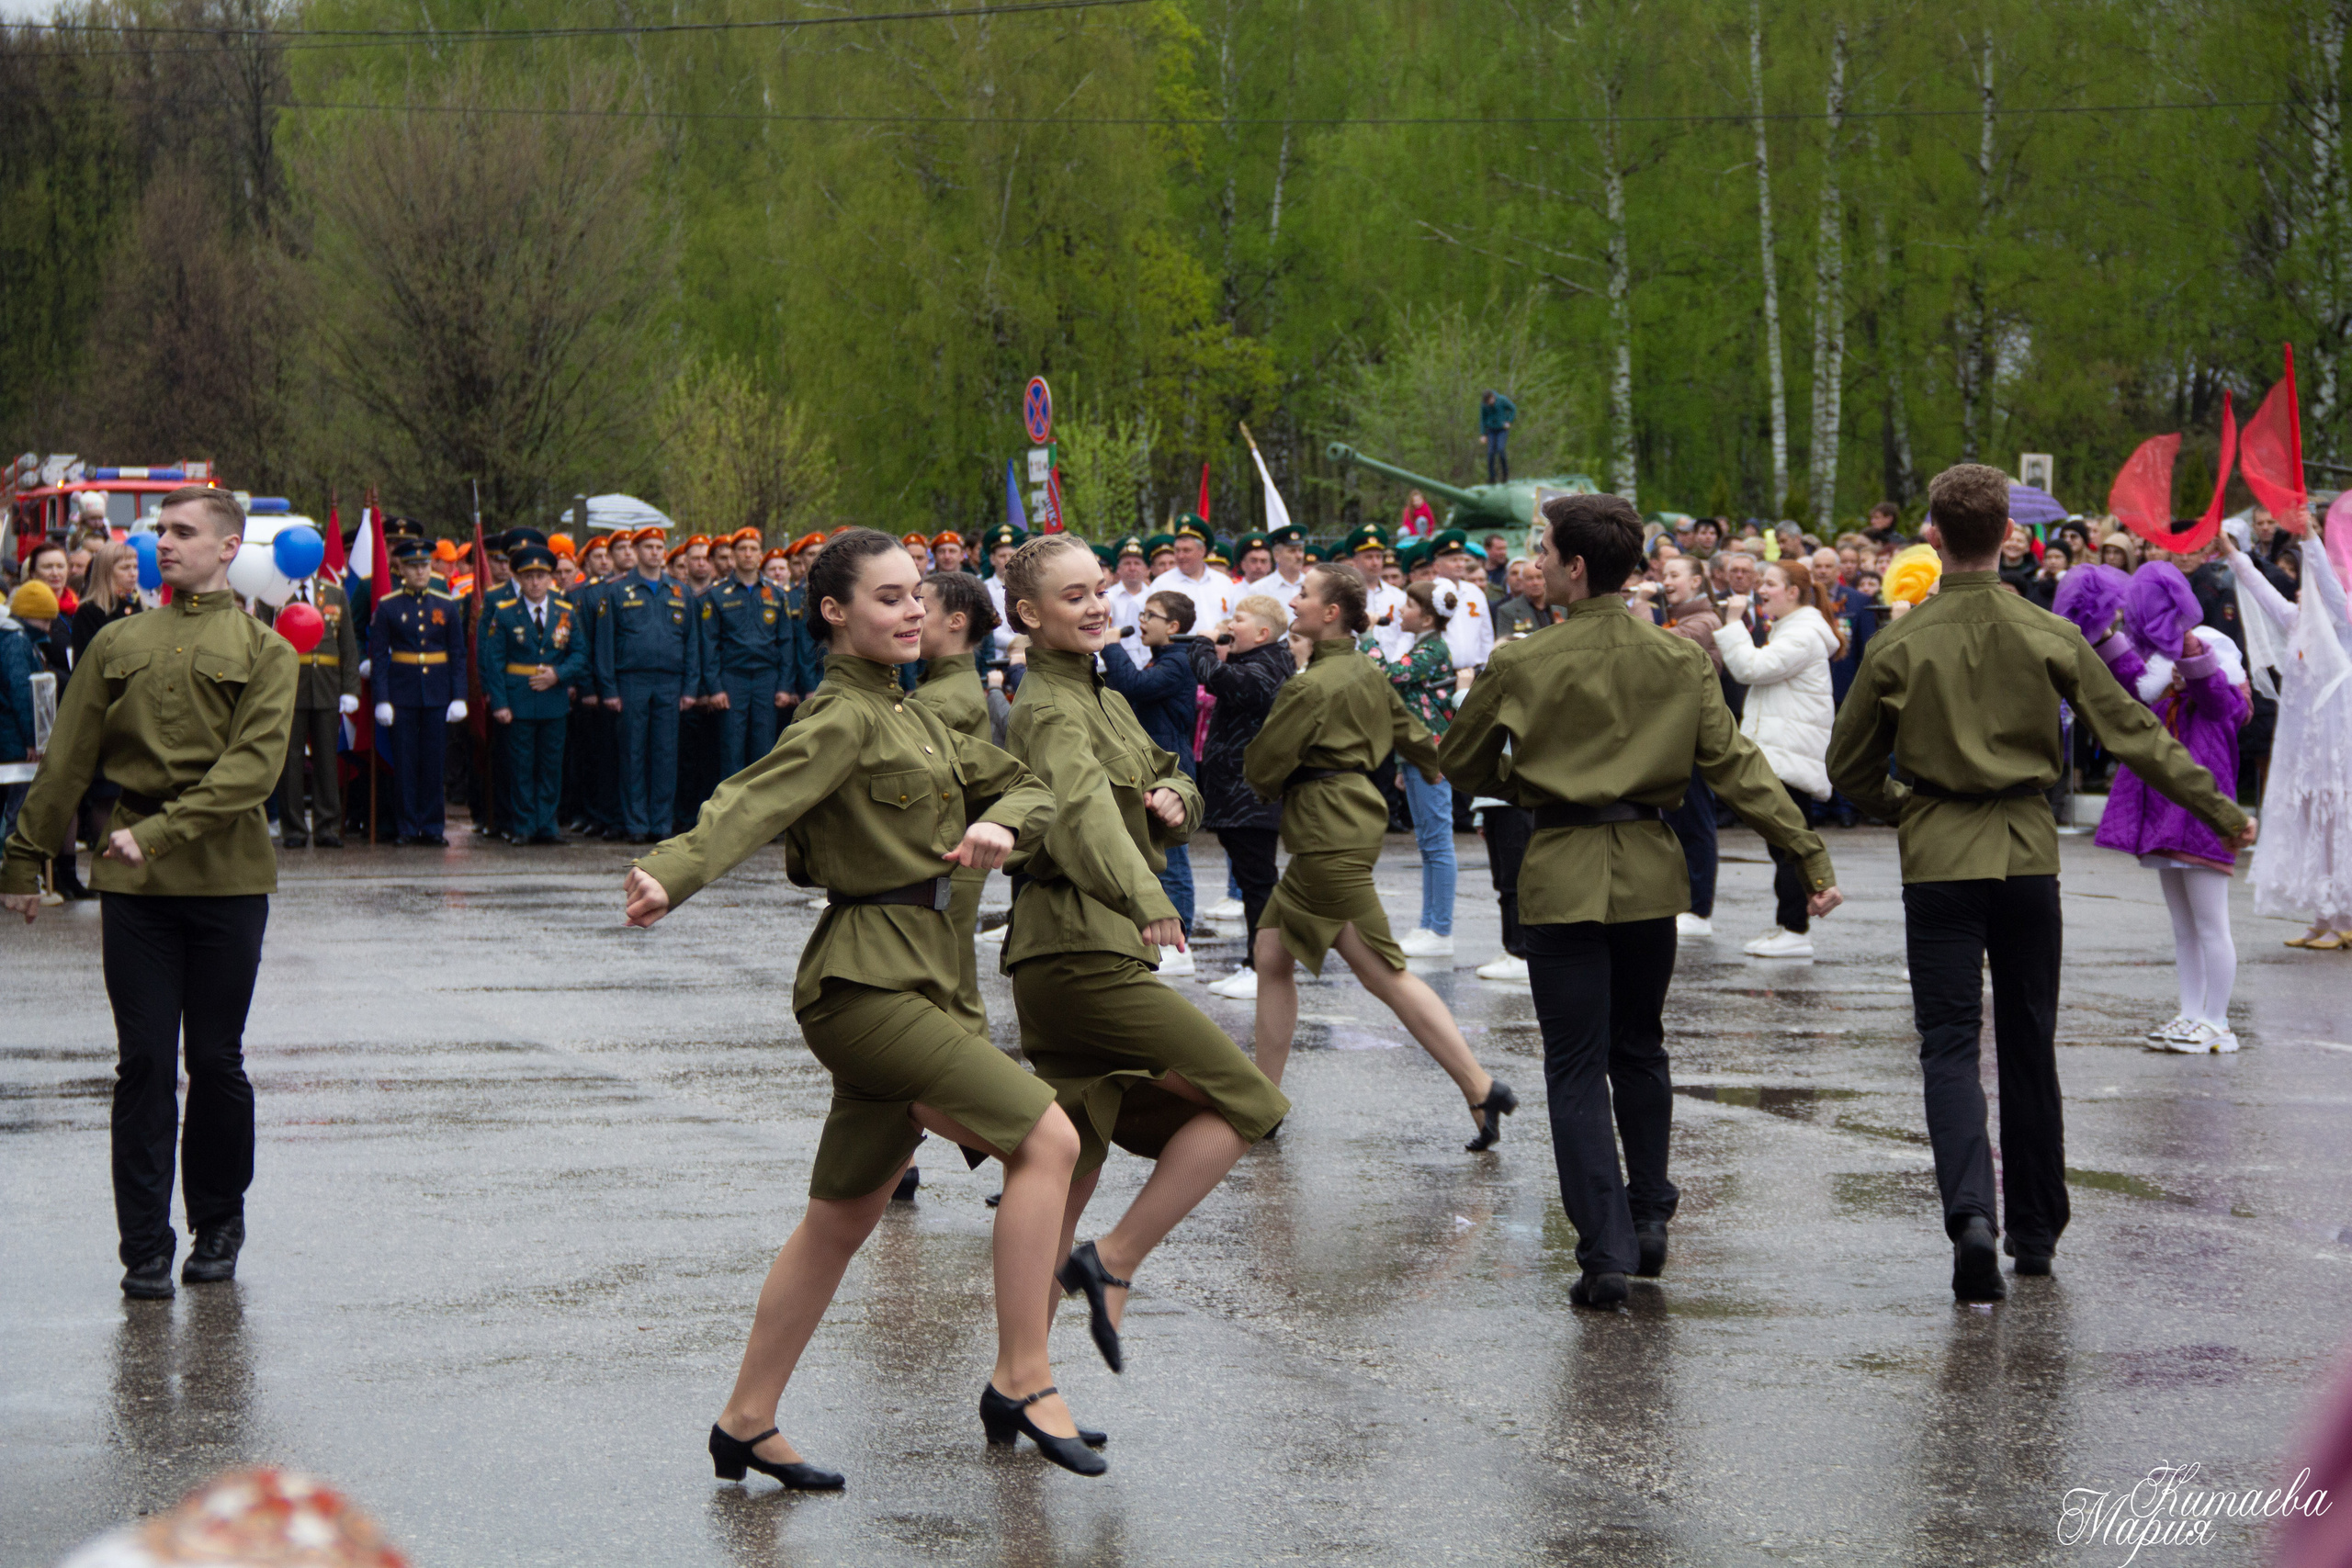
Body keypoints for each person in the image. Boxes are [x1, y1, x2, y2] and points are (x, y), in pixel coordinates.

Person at [624, 528, 1099, 1483]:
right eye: (888, 598)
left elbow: (1030, 789)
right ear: (835, 612)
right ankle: (1023, 1376)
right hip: (865, 983)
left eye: (916, 596)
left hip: (926, 977)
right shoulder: (843, 718)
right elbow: (751, 800)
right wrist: (673, 873)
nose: (912, 610)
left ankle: (746, 1420)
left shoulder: (918, 717)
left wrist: (1001, 819)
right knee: (1048, 1139)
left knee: (843, 1217)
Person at [1826, 463, 2253, 1301]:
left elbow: (1846, 764)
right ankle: (2034, 1229)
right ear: (2010, 539)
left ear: (1935, 537)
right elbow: (2133, 733)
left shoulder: (1900, 640)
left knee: (1948, 1045)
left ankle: (1969, 1216)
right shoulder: (2047, 632)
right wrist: (2219, 806)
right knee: (2027, 1041)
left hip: (1941, 855)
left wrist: (1906, 806)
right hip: (2026, 853)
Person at [1442, 492, 1841, 1307]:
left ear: (1577, 565)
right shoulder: (1679, 658)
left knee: (1577, 1064)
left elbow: (1461, 762)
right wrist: (1804, 851)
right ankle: (1651, 1213)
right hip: (1651, 874)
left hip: (1559, 870)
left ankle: (1604, 1252)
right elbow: (1737, 766)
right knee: (1641, 1047)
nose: (1539, 562)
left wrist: (1527, 781)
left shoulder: (1523, 660)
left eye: (1546, 549)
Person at [993, 534, 1289, 1386]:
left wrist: (1176, 798)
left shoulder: (1102, 690)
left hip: (1085, 948)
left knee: (1071, 1171)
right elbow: (1083, 814)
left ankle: (1020, 1383)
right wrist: (1151, 896)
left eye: (1098, 592)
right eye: (1073, 595)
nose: (1094, 605)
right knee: (1250, 1100)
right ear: (1028, 615)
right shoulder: (1048, 705)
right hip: (1080, 949)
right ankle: (1114, 1261)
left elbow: (1173, 770)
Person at [2, 486, 297, 1299]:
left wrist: (158, 831)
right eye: (158, 530)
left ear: (227, 547)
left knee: (215, 1059)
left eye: (181, 531)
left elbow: (253, 771)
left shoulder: (267, 651)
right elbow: (67, 758)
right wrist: (23, 860)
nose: (162, 543)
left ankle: (219, 1220)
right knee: (141, 1064)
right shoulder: (119, 641)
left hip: (228, 879)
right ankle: (143, 1245)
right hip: (135, 887)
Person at [1244, 563, 1520, 1148]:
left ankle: (1479, 1084)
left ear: (1331, 614)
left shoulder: (1310, 685)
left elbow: (1262, 766)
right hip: (1345, 822)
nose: (1293, 601)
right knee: (1271, 953)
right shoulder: (1365, 671)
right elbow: (1417, 736)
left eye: (1304, 595)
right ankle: (1262, 1100)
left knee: (1382, 973)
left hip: (1326, 832)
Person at [2064, 563, 2253, 1049]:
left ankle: (2219, 1021)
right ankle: (2191, 1013)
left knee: (2212, 924)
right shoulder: (2157, 686)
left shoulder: (2214, 684)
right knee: (2183, 925)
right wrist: (2100, 626)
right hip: (2165, 809)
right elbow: (2130, 677)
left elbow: (2220, 703)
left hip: (2203, 810)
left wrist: (2189, 648)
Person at [2222, 513, 2352, 947]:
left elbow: (2334, 595)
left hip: (2340, 743)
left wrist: (2311, 539)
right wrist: (2233, 554)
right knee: (2312, 821)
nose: (2302, 587)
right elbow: (2261, 592)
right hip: (2305, 744)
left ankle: (2344, 918)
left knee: (2338, 824)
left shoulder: (2345, 622)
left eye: (2310, 579)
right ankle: (2324, 914)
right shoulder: (2297, 620)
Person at [1714, 558, 1847, 958]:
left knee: (1789, 845)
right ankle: (1793, 923)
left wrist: (1734, 621)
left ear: (1794, 592)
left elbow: (1749, 667)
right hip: (1783, 753)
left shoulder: (1804, 633)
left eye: (1770, 583)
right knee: (1786, 843)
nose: (1761, 590)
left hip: (1789, 756)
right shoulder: (1794, 628)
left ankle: (1795, 929)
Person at [908, 567, 1001, 1052]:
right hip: (953, 852)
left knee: (953, 985)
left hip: (948, 856)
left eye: (922, 603)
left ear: (955, 621)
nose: (912, 612)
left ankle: (988, 1108)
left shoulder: (941, 700)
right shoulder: (942, 689)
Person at [1186, 595, 1293, 998]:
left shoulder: (1266, 666)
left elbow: (1217, 679)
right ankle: (1257, 963)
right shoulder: (1257, 661)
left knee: (1258, 884)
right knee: (1255, 882)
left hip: (1250, 796)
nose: (1231, 625)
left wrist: (1202, 644)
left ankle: (1263, 967)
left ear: (1263, 633)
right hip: (1238, 795)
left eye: (1240, 620)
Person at [1100, 588, 1202, 967]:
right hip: (1153, 772)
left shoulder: (1179, 661)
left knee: (1172, 860)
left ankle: (1182, 944)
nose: (1140, 622)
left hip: (1172, 773)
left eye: (1149, 616)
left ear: (1173, 626)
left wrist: (1111, 645)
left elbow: (1134, 687)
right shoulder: (1162, 660)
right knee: (1151, 857)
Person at [1367, 579, 1461, 958]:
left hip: (1433, 754)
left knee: (1437, 843)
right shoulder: (1422, 645)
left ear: (1425, 618)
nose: (1399, 612)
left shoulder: (1432, 648)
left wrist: (1369, 636)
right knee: (1428, 843)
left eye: (1407, 606)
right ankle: (1429, 924)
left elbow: (1386, 676)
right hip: (1417, 755)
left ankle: (1440, 929)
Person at [592, 525, 700, 844]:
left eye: (658, 547)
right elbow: (604, 646)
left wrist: (690, 688)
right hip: (631, 681)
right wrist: (609, 689)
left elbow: (692, 644)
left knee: (666, 754)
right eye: (648, 547)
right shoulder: (616, 591)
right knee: (633, 753)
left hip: (670, 681)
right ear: (636, 551)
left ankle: (661, 823)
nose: (654, 552)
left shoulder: (680, 592)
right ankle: (636, 823)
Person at [481, 545, 586, 845]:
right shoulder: (505, 613)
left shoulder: (564, 612)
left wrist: (558, 674)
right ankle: (524, 825)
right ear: (519, 579)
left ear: (550, 578)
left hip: (553, 699)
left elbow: (579, 654)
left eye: (541, 576)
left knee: (551, 766)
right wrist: (499, 703)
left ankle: (547, 825)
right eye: (528, 577)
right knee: (522, 766)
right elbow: (494, 661)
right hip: (519, 700)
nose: (535, 583)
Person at [368, 539, 469, 847]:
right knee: (406, 762)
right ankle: (408, 827)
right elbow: (380, 657)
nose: (420, 571)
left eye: (425, 565)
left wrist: (459, 696)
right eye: (413, 566)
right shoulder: (388, 606)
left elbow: (457, 654)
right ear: (400, 569)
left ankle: (433, 826)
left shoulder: (445, 604)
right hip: (403, 693)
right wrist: (382, 698)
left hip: (437, 693)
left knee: (433, 761)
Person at [270, 565, 362, 848]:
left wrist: (350, 688)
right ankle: (294, 829)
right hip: (289, 688)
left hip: (327, 687)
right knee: (290, 761)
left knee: (326, 760)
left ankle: (327, 827)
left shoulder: (333, 593)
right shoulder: (274, 594)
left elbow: (347, 644)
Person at [1657, 554, 1723, 937]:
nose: (1667, 581)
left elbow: (1659, 645)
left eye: (1675, 575)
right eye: (1663, 573)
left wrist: (1643, 606)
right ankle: (1684, 902)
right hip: (1675, 729)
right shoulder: (1679, 616)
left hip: (1695, 731)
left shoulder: (1705, 620)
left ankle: (1699, 907)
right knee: (1677, 820)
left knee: (1696, 818)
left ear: (1697, 582)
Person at [703, 528, 791, 779]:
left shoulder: (776, 594)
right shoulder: (718, 594)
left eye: (753, 549)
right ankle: (730, 813)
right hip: (733, 678)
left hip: (767, 678)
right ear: (733, 555)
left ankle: (760, 815)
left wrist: (784, 686)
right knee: (731, 748)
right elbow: (709, 645)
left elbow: (785, 643)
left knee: (764, 750)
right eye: (742, 549)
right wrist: (715, 687)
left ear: (761, 554)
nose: (748, 554)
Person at [1146, 515, 1235, 636]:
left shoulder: (1223, 582)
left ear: (1202, 551)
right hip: (1180, 651)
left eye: (1187, 550)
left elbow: (1233, 619)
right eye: (1177, 550)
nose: (1181, 556)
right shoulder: (1161, 584)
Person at [1428, 530, 1496, 671]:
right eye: (1453, 560)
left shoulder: (1474, 591)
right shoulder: (1430, 591)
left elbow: (1486, 633)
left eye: (1462, 560)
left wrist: (1486, 665)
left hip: (1475, 669)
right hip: (1443, 672)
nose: (1459, 565)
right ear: (1437, 566)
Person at [1102, 536, 1154, 671]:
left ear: (1146, 569)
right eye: (1127, 563)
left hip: (1152, 665)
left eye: (1137, 563)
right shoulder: (1107, 597)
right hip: (1117, 665)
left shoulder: (1155, 596)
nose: (1132, 568)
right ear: (1118, 569)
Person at [1480, 389, 1516, 484]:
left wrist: (1509, 421)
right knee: (1491, 453)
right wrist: (1483, 434)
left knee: (1500, 450)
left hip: (1502, 429)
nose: (1489, 403)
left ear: (1493, 397)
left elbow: (1513, 408)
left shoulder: (1502, 400)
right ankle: (1492, 477)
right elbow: (1483, 419)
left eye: (1490, 401)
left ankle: (1505, 475)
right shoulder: (1484, 405)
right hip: (1491, 430)